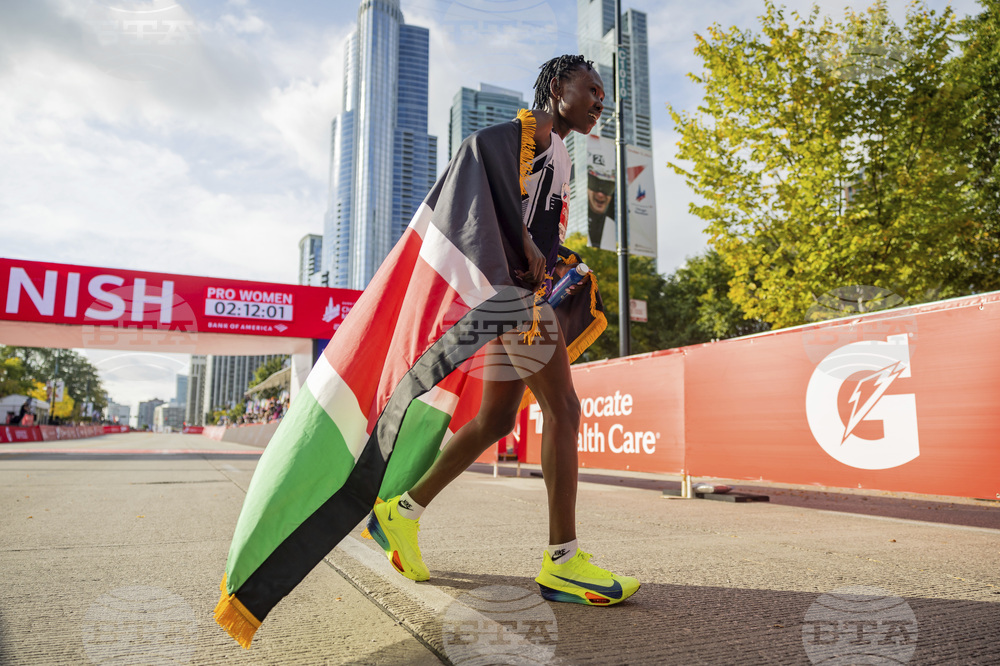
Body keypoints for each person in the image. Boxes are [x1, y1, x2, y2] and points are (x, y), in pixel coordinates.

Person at [366, 55, 640, 606]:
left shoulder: (559, 152)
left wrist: (554, 255)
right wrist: (526, 241)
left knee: (495, 419)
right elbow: (475, 153)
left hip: (509, 299)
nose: (599, 102)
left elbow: (530, 218)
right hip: (512, 297)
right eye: (591, 89)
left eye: (602, 95)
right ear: (559, 87)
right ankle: (563, 561)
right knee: (564, 408)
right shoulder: (533, 129)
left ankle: (401, 512)